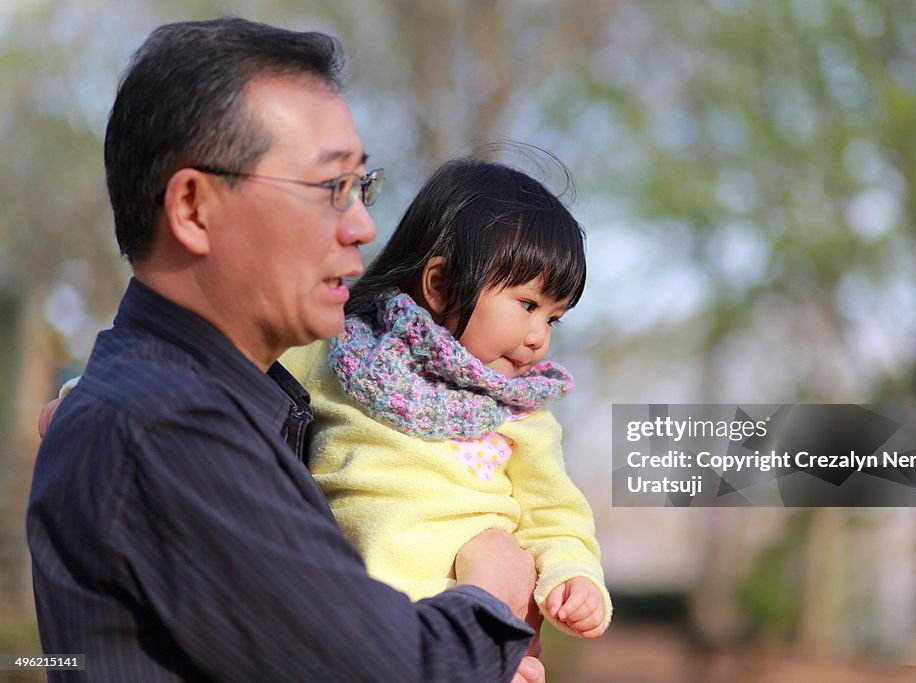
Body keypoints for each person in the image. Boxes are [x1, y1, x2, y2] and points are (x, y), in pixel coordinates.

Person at [28, 18, 544, 683]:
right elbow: (395, 669)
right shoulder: (170, 425)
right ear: (192, 206)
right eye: (331, 188)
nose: (362, 226)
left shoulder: (223, 405)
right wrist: (492, 591)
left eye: (364, 187)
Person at [280, 158, 611, 642]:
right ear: (440, 284)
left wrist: (574, 577)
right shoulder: (333, 351)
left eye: (553, 318)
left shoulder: (520, 413)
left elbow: (555, 517)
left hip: (467, 619)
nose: (540, 336)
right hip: (346, 616)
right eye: (528, 305)